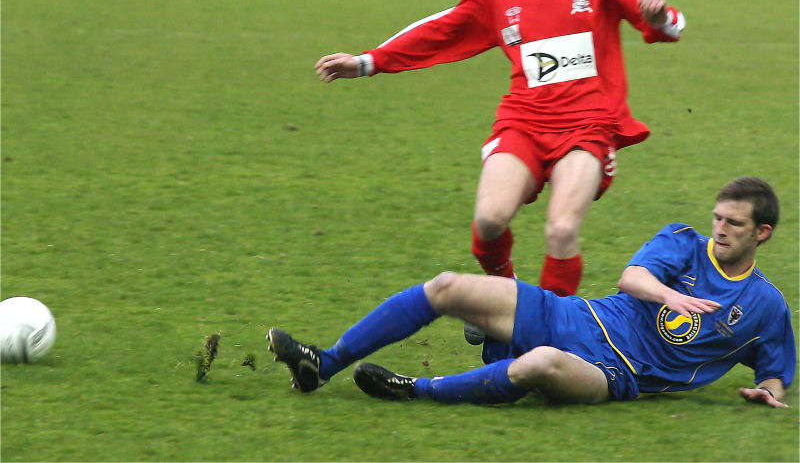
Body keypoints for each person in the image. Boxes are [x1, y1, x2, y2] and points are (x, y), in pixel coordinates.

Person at [314, 0, 687, 319]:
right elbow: (444, 28)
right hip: (524, 121)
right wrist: (368, 62)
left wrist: (661, 15)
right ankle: (503, 293)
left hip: (587, 124)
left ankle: (551, 330)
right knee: (489, 220)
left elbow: (655, 14)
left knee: (562, 229)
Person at [269, 177, 794, 408]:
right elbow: (632, 278)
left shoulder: (766, 306)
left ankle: (416, 389)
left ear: (761, 233)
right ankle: (324, 363)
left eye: (734, 223)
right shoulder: (683, 241)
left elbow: (773, 368)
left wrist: (767, 393)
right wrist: (671, 297)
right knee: (446, 286)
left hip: (617, 375)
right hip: (577, 316)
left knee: (540, 364)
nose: (720, 229)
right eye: (717, 218)